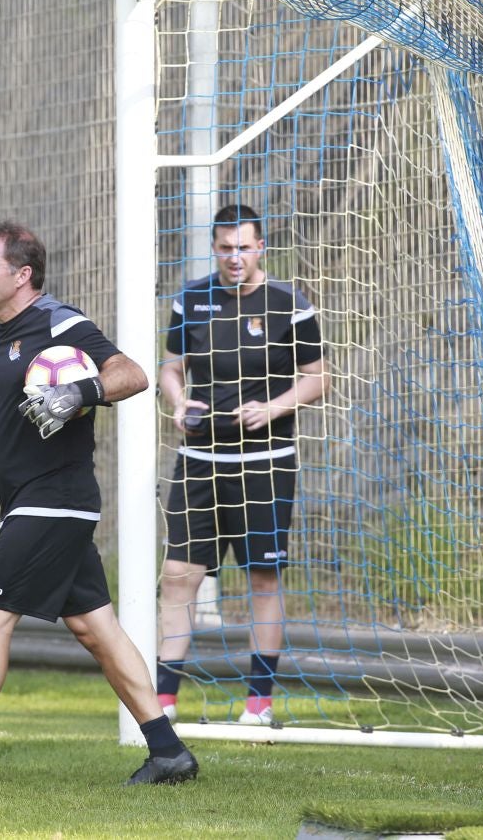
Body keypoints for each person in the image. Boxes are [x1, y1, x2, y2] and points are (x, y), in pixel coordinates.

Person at [0, 221, 197, 788]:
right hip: (36, 502)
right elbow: (17, 408)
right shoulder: (3, 334)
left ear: (22, 274)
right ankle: (168, 752)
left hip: (53, 500)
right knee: (97, 629)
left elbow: (130, 374)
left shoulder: (58, 321)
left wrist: (77, 392)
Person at [155, 203, 329, 726]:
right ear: (215, 249)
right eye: (226, 248)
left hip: (265, 462)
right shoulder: (191, 299)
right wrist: (178, 402)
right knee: (178, 575)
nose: (235, 257)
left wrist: (273, 408)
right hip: (199, 459)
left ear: (261, 248)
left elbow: (318, 377)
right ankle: (162, 702)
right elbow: (171, 368)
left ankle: (258, 703)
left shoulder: (289, 304)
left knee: (263, 578)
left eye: (244, 248)